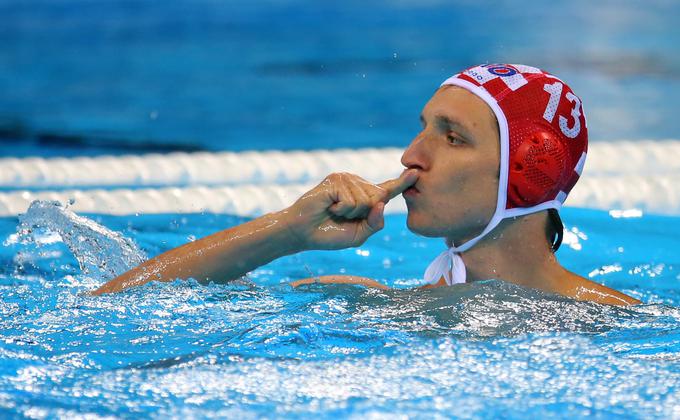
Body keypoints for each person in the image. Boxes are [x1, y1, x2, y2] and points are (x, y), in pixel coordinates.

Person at [92, 63, 639, 306]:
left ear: (528, 174)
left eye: (451, 138)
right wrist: (288, 232)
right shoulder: (367, 304)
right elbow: (111, 308)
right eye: (423, 126)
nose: (411, 155)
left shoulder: (611, 324)